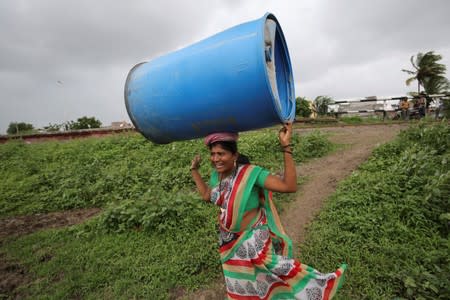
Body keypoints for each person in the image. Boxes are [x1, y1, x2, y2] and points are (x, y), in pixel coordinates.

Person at [190, 123, 346, 299]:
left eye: (221, 154)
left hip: (254, 240)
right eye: (212, 154)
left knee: (273, 276)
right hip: (229, 244)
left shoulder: (252, 174)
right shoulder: (215, 176)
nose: (216, 159)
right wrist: (194, 170)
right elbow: (206, 195)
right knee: (241, 285)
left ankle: (317, 287)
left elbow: (289, 186)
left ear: (234, 155)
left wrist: (286, 147)